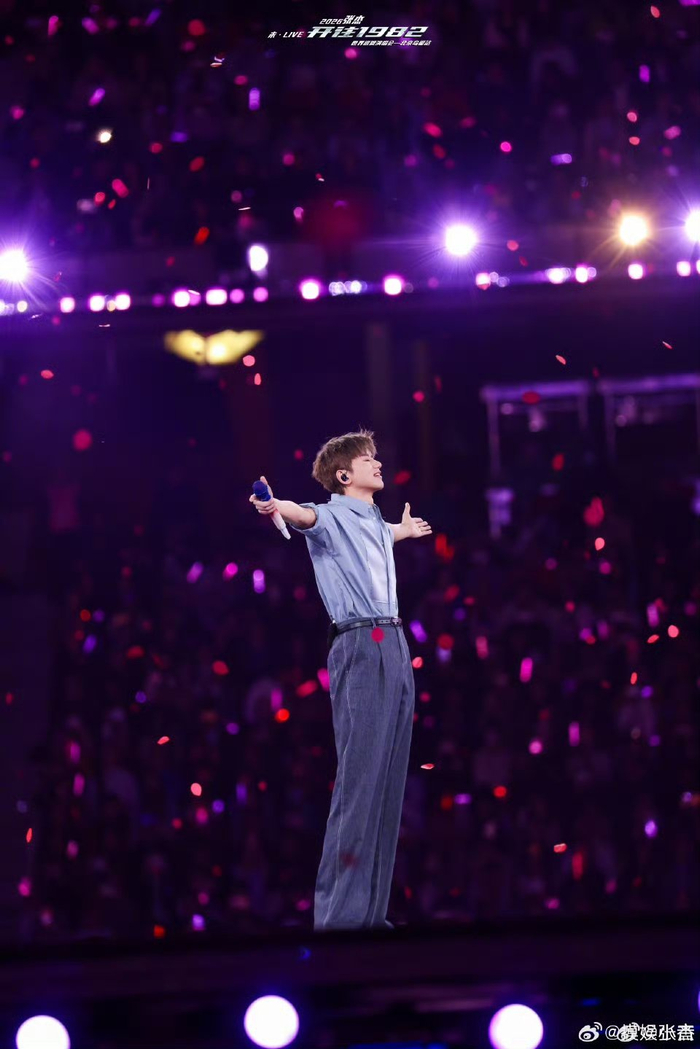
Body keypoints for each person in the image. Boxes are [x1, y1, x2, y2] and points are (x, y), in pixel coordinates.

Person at [249, 429, 432, 930]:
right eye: (368, 459)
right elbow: (301, 514)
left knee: (388, 783)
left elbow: (377, 538)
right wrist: (273, 505)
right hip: (361, 643)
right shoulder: (329, 516)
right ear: (344, 475)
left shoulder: (373, 522)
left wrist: (402, 531)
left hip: (394, 642)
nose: (378, 463)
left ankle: (370, 917)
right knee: (360, 782)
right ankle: (339, 921)